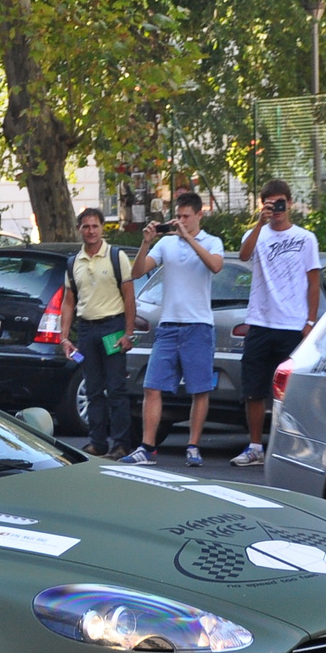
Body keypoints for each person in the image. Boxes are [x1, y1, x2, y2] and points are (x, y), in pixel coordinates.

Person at [122, 191, 223, 466]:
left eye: (186, 217)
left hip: (199, 326)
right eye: (177, 216)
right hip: (168, 325)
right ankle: (147, 447)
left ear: (199, 215)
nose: (180, 221)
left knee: (199, 389)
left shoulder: (212, 241)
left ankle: (193, 446)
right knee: (152, 387)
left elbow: (215, 266)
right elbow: (137, 272)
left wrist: (189, 238)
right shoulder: (166, 244)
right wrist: (145, 243)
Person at [232, 179, 321, 467]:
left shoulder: (306, 238)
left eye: (281, 202)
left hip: (292, 325)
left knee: (292, 391)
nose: (277, 208)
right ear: (264, 205)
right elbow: (243, 255)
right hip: (260, 322)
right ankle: (255, 447)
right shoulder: (256, 234)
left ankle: (294, 447)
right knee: (254, 389)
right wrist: (259, 223)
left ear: (290, 203)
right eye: (271, 203)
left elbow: (314, 281)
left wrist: (309, 321)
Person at [60, 207, 136, 458]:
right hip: (86, 330)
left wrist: (128, 332)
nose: (90, 231)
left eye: (95, 226)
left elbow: (128, 296)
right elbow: (68, 301)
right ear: (79, 229)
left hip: (112, 328)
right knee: (92, 389)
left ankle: (121, 443)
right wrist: (64, 337)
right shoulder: (73, 262)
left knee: (116, 388)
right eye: (86, 226)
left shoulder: (116, 256)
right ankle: (97, 442)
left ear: (103, 228)